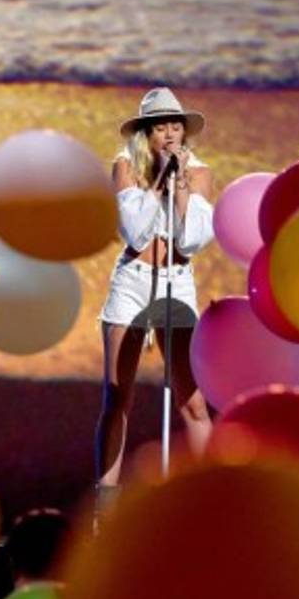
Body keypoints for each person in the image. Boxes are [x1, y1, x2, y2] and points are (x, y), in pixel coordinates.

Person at [95, 86, 216, 509]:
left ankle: (208, 500)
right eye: (160, 127)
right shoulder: (126, 167)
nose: (169, 134)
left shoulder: (199, 173)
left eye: (175, 127)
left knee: (193, 401)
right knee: (117, 396)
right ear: (145, 134)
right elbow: (135, 232)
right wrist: (160, 179)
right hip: (132, 281)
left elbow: (192, 240)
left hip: (176, 283)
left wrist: (180, 186)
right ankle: (106, 504)